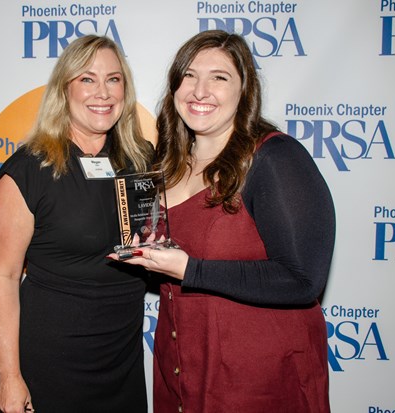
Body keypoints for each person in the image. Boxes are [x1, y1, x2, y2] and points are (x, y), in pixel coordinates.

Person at [109, 30, 336, 412]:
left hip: (258, 380)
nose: (200, 91)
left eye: (219, 77)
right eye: (189, 76)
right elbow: (169, 264)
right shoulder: (166, 163)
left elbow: (302, 281)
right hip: (180, 369)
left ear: (244, 90)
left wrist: (190, 269)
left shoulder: (274, 158)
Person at [0, 35, 153, 413]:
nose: (103, 92)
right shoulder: (27, 171)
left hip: (121, 355)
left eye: (114, 79)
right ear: (64, 90)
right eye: (87, 79)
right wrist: (9, 376)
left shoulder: (141, 160)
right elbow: (4, 277)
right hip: (53, 355)